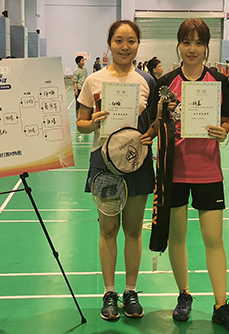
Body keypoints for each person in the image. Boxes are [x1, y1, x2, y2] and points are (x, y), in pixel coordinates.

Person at [147, 19, 229, 333]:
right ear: (178, 45)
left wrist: (223, 131)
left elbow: (226, 123)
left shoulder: (219, 80)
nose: (192, 49)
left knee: (213, 239)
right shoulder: (165, 82)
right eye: (186, 42)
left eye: (198, 43)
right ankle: (184, 294)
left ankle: (220, 305)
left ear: (206, 47)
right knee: (177, 237)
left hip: (208, 171)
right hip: (174, 172)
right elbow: (156, 122)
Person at [76, 20, 155, 320]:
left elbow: (154, 123)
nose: (125, 46)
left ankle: (130, 291)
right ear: (109, 44)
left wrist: (152, 134)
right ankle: (109, 292)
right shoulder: (93, 81)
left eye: (131, 41)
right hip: (104, 163)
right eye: (119, 40)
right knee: (108, 230)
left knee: (133, 230)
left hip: (137, 161)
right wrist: (93, 122)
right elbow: (81, 125)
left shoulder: (147, 81)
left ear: (138, 44)